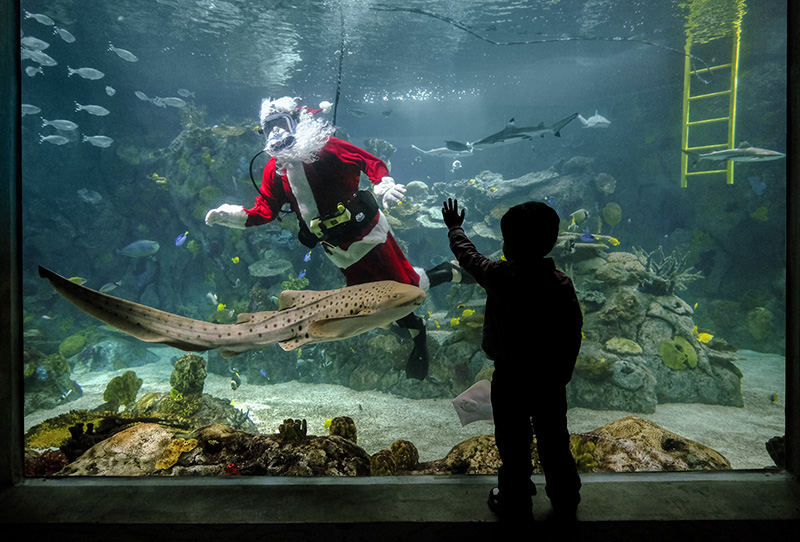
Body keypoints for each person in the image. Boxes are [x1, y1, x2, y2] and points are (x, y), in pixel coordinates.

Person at [205, 96, 466, 379]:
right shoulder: (274, 169)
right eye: (269, 129)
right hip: (335, 249)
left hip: (368, 233)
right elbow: (265, 210)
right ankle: (418, 330)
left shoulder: (324, 148)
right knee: (371, 304)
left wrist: (383, 186)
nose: (276, 133)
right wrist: (231, 217)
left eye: (281, 124)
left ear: (295, 121)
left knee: (408, 287)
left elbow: (369, 161)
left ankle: (452, 276)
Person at [441, 198, 582, 521]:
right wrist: (563, 374)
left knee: (513, 444)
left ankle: (515, 498)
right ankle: (565, 498)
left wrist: (455, 227)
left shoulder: (500, 275)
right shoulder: (560, 284)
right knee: (554, 441)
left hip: (510, 376)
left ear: (508, 245)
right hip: (549, 379)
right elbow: (573, 331)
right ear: (550, 242)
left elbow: (468, 256)